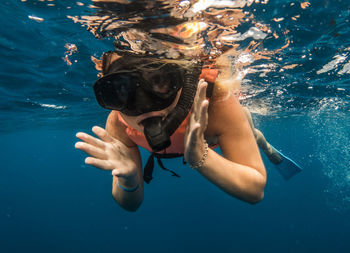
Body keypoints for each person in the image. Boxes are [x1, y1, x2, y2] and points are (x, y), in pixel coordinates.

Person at [74, 52, 289, 212]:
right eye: (121, 89)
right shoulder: (119, 123)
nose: (144, 104)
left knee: (250, 128)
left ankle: (265, 146)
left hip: (211, 137)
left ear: (182, 80)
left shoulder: (216, 102)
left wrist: (200, 157)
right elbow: (130, 204)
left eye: (158, 80)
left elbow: (255, 189)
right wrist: (129, 181)